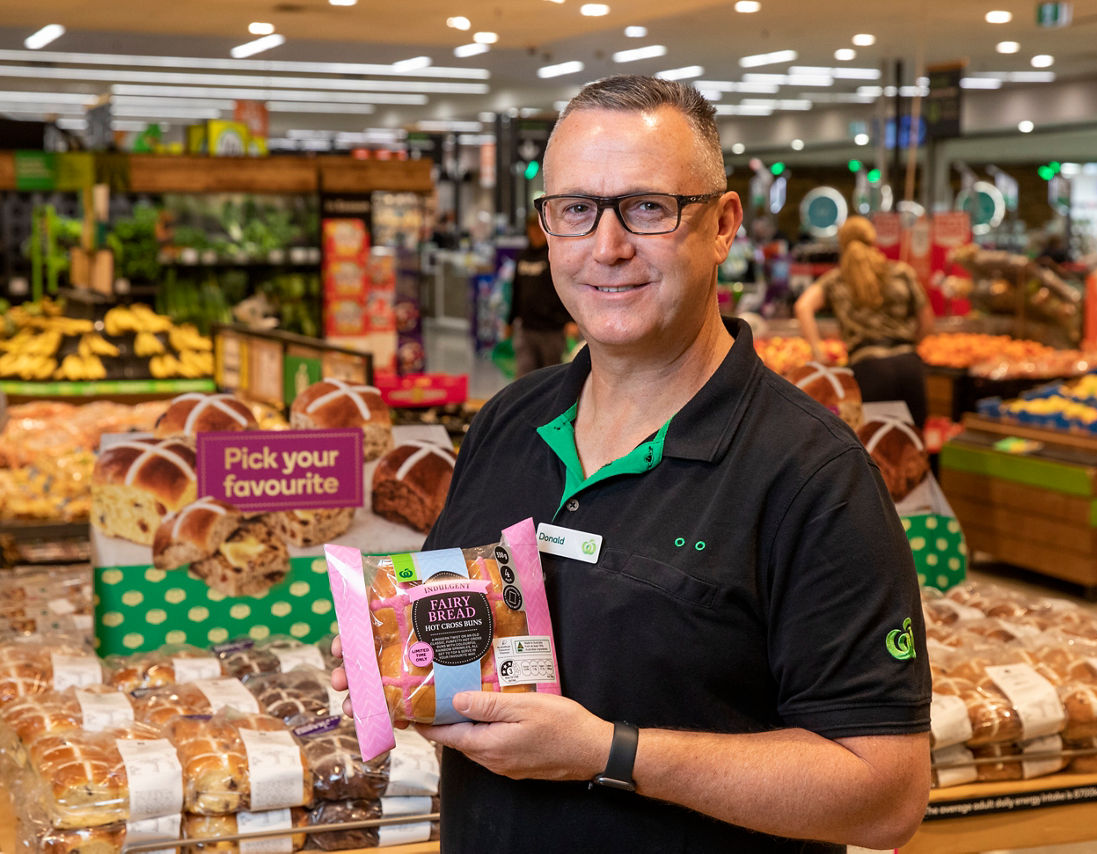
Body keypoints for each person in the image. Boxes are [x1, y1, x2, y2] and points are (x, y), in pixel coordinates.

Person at [334, 75, 930, 853]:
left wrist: (608, 753)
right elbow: (463, 640)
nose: (606, 247)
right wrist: (395, 669)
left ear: (722, 226)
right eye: (575, 209)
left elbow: (884, 793)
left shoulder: (812, 476)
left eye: (647, 207)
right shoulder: (509, 421)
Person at [793, 216, 934, 428]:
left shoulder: (837, 279)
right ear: (873, 239)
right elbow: (926, 320)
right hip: (909, 366)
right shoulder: (901, 272)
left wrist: (818, 353)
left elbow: (803, 306)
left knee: (873, 448)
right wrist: (909, 346)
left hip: (868, 369)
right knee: (912, 445)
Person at [506, 212, 577, 376]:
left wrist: (571, 320)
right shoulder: (522, 256)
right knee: (524, 378)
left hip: (552, 330)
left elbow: (568, 289)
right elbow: (516, 290)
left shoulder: (555, 256)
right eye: (531, 229)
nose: (535, 234)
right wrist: (509, 322)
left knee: (551, 378)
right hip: (526, 328)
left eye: (538, 230)